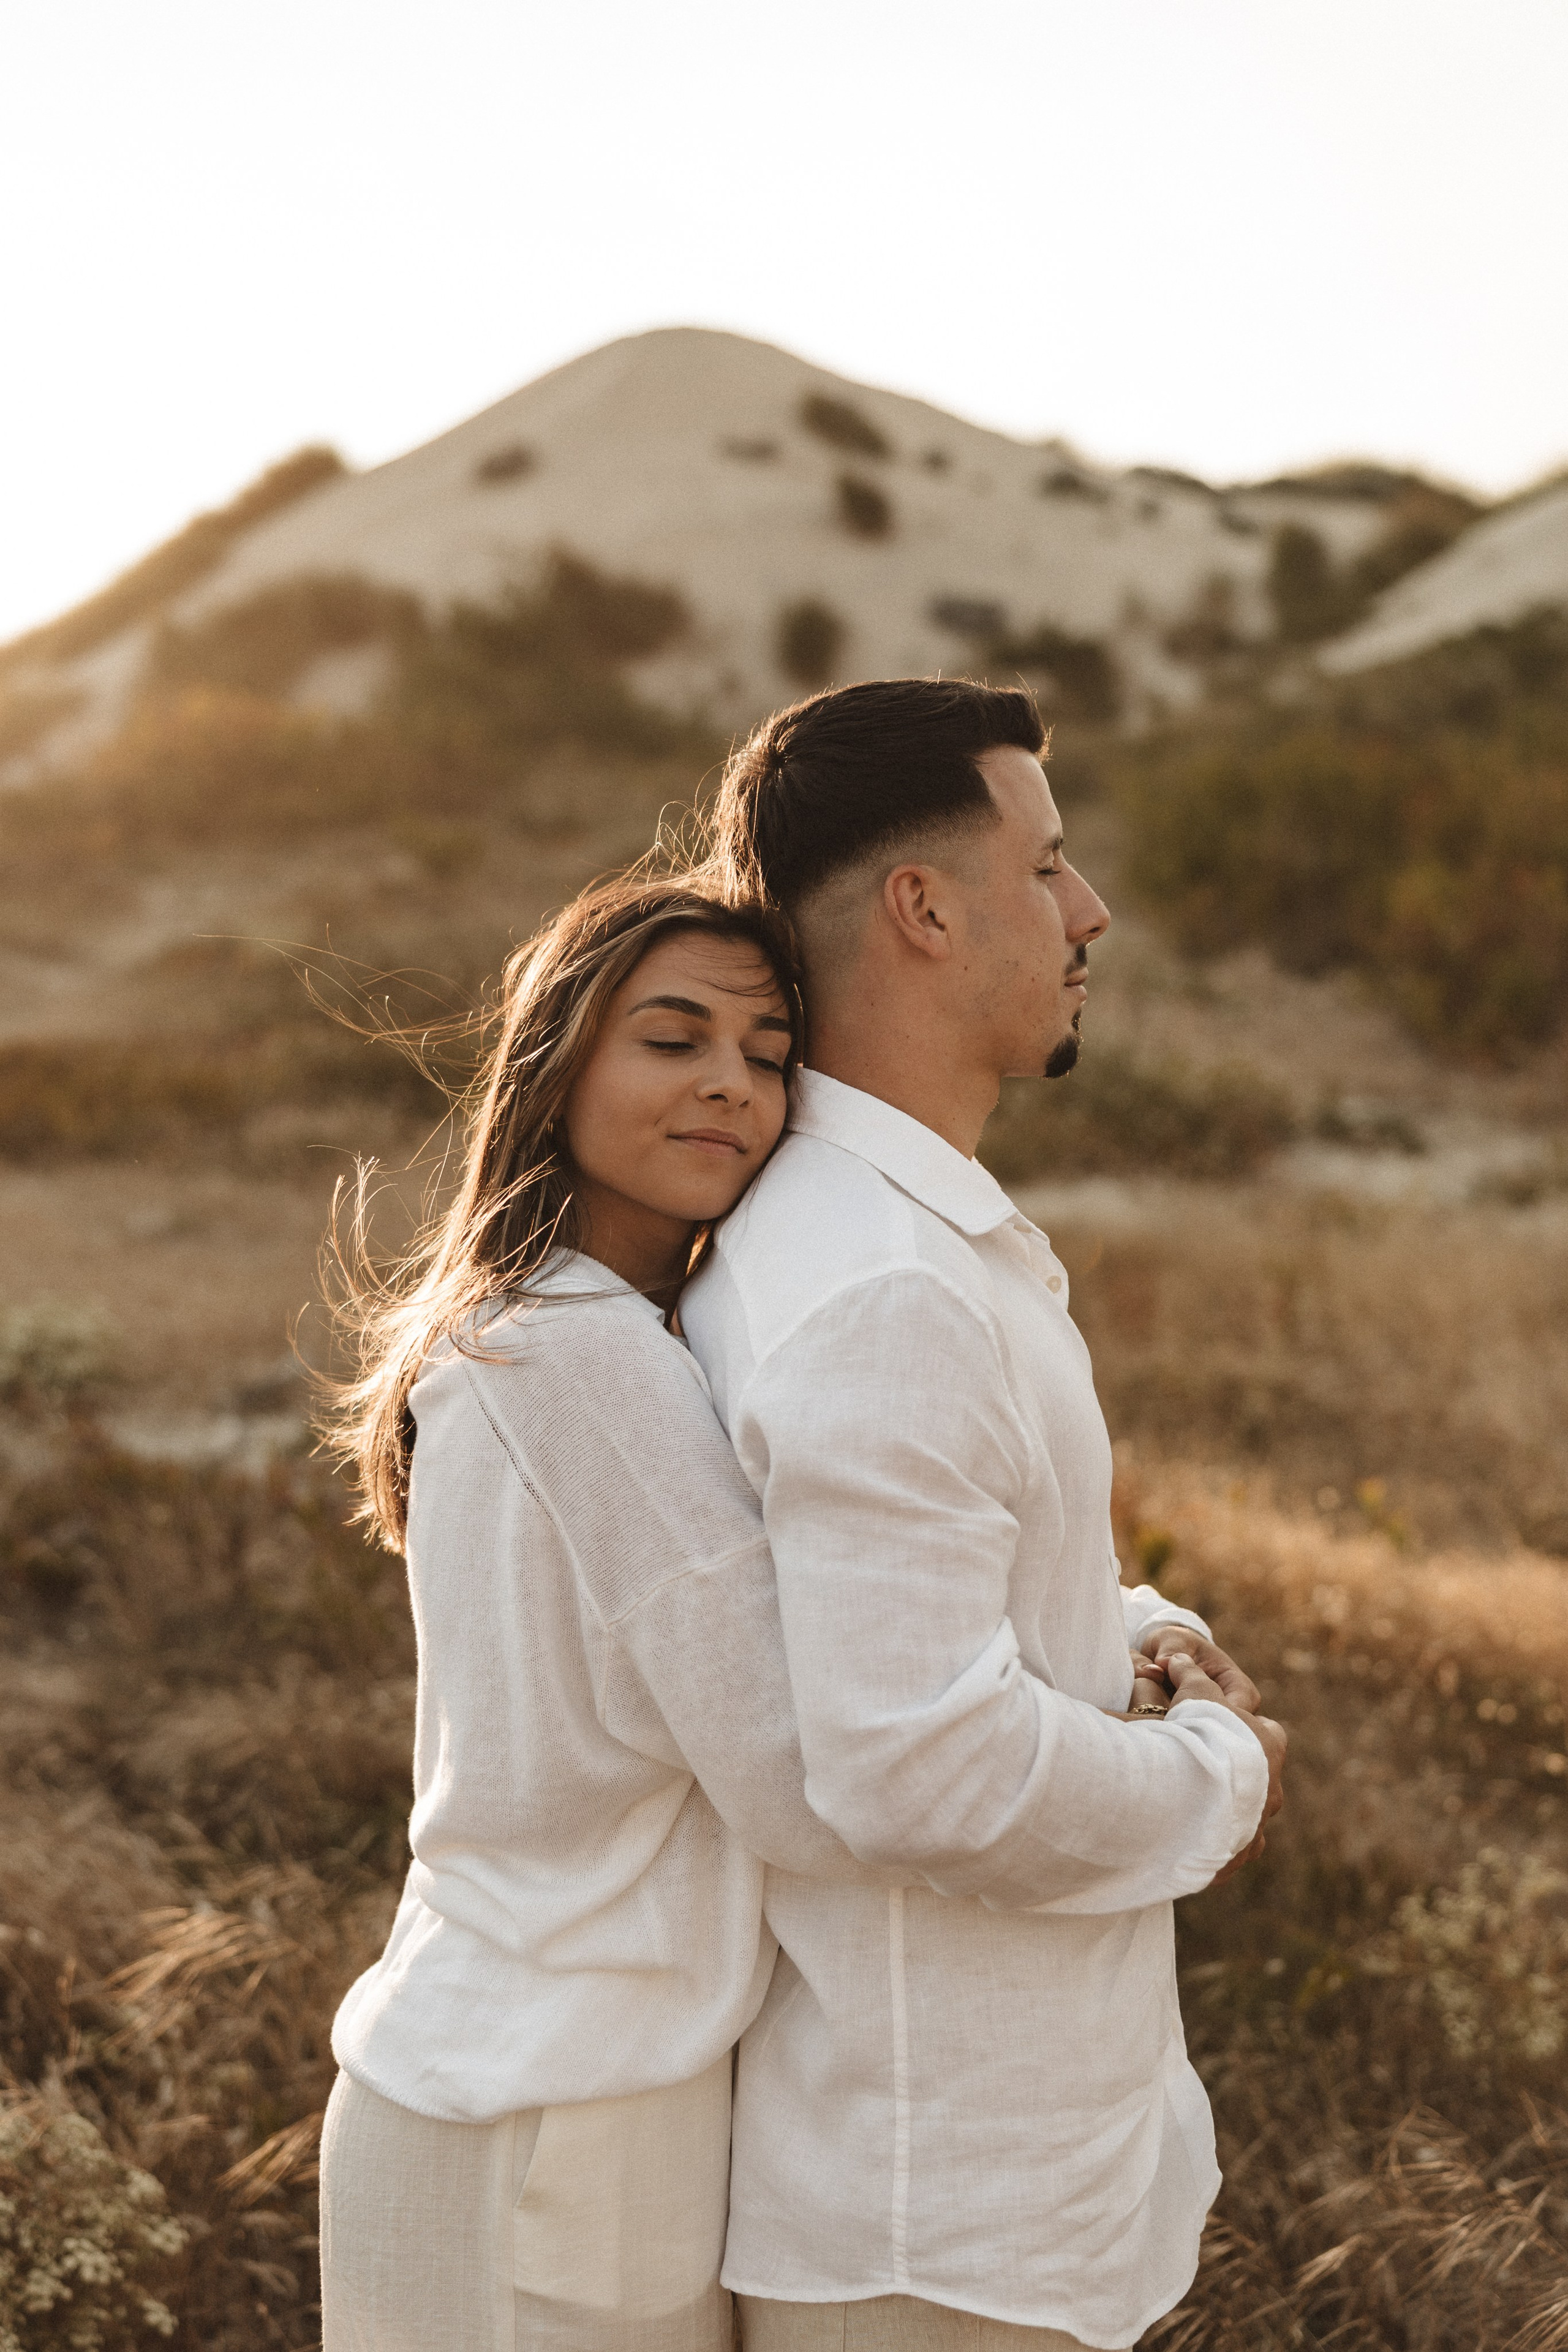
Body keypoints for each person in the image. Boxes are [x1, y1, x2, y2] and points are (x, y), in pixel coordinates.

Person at [684, 676, 1288, 2352]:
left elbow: (970, 1584)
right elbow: (922, 1764)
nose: (1090, 911)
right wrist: (1221, 1778)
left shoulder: (904, 1240)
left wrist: (1148, 1634)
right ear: (923, 911)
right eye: (1047, 866)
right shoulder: (883, 1283)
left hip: (982, 2204)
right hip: (939, 2239)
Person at [315, 873, 878, 2352]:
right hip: (554, 2121)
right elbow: (801, 1786)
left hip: (514, 2084)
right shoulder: (588, 1359)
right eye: (672, 1039)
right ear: (556, 1058)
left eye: (767, 1055)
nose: (729, 1087)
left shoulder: (535, 1329)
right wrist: (1141, 1733)